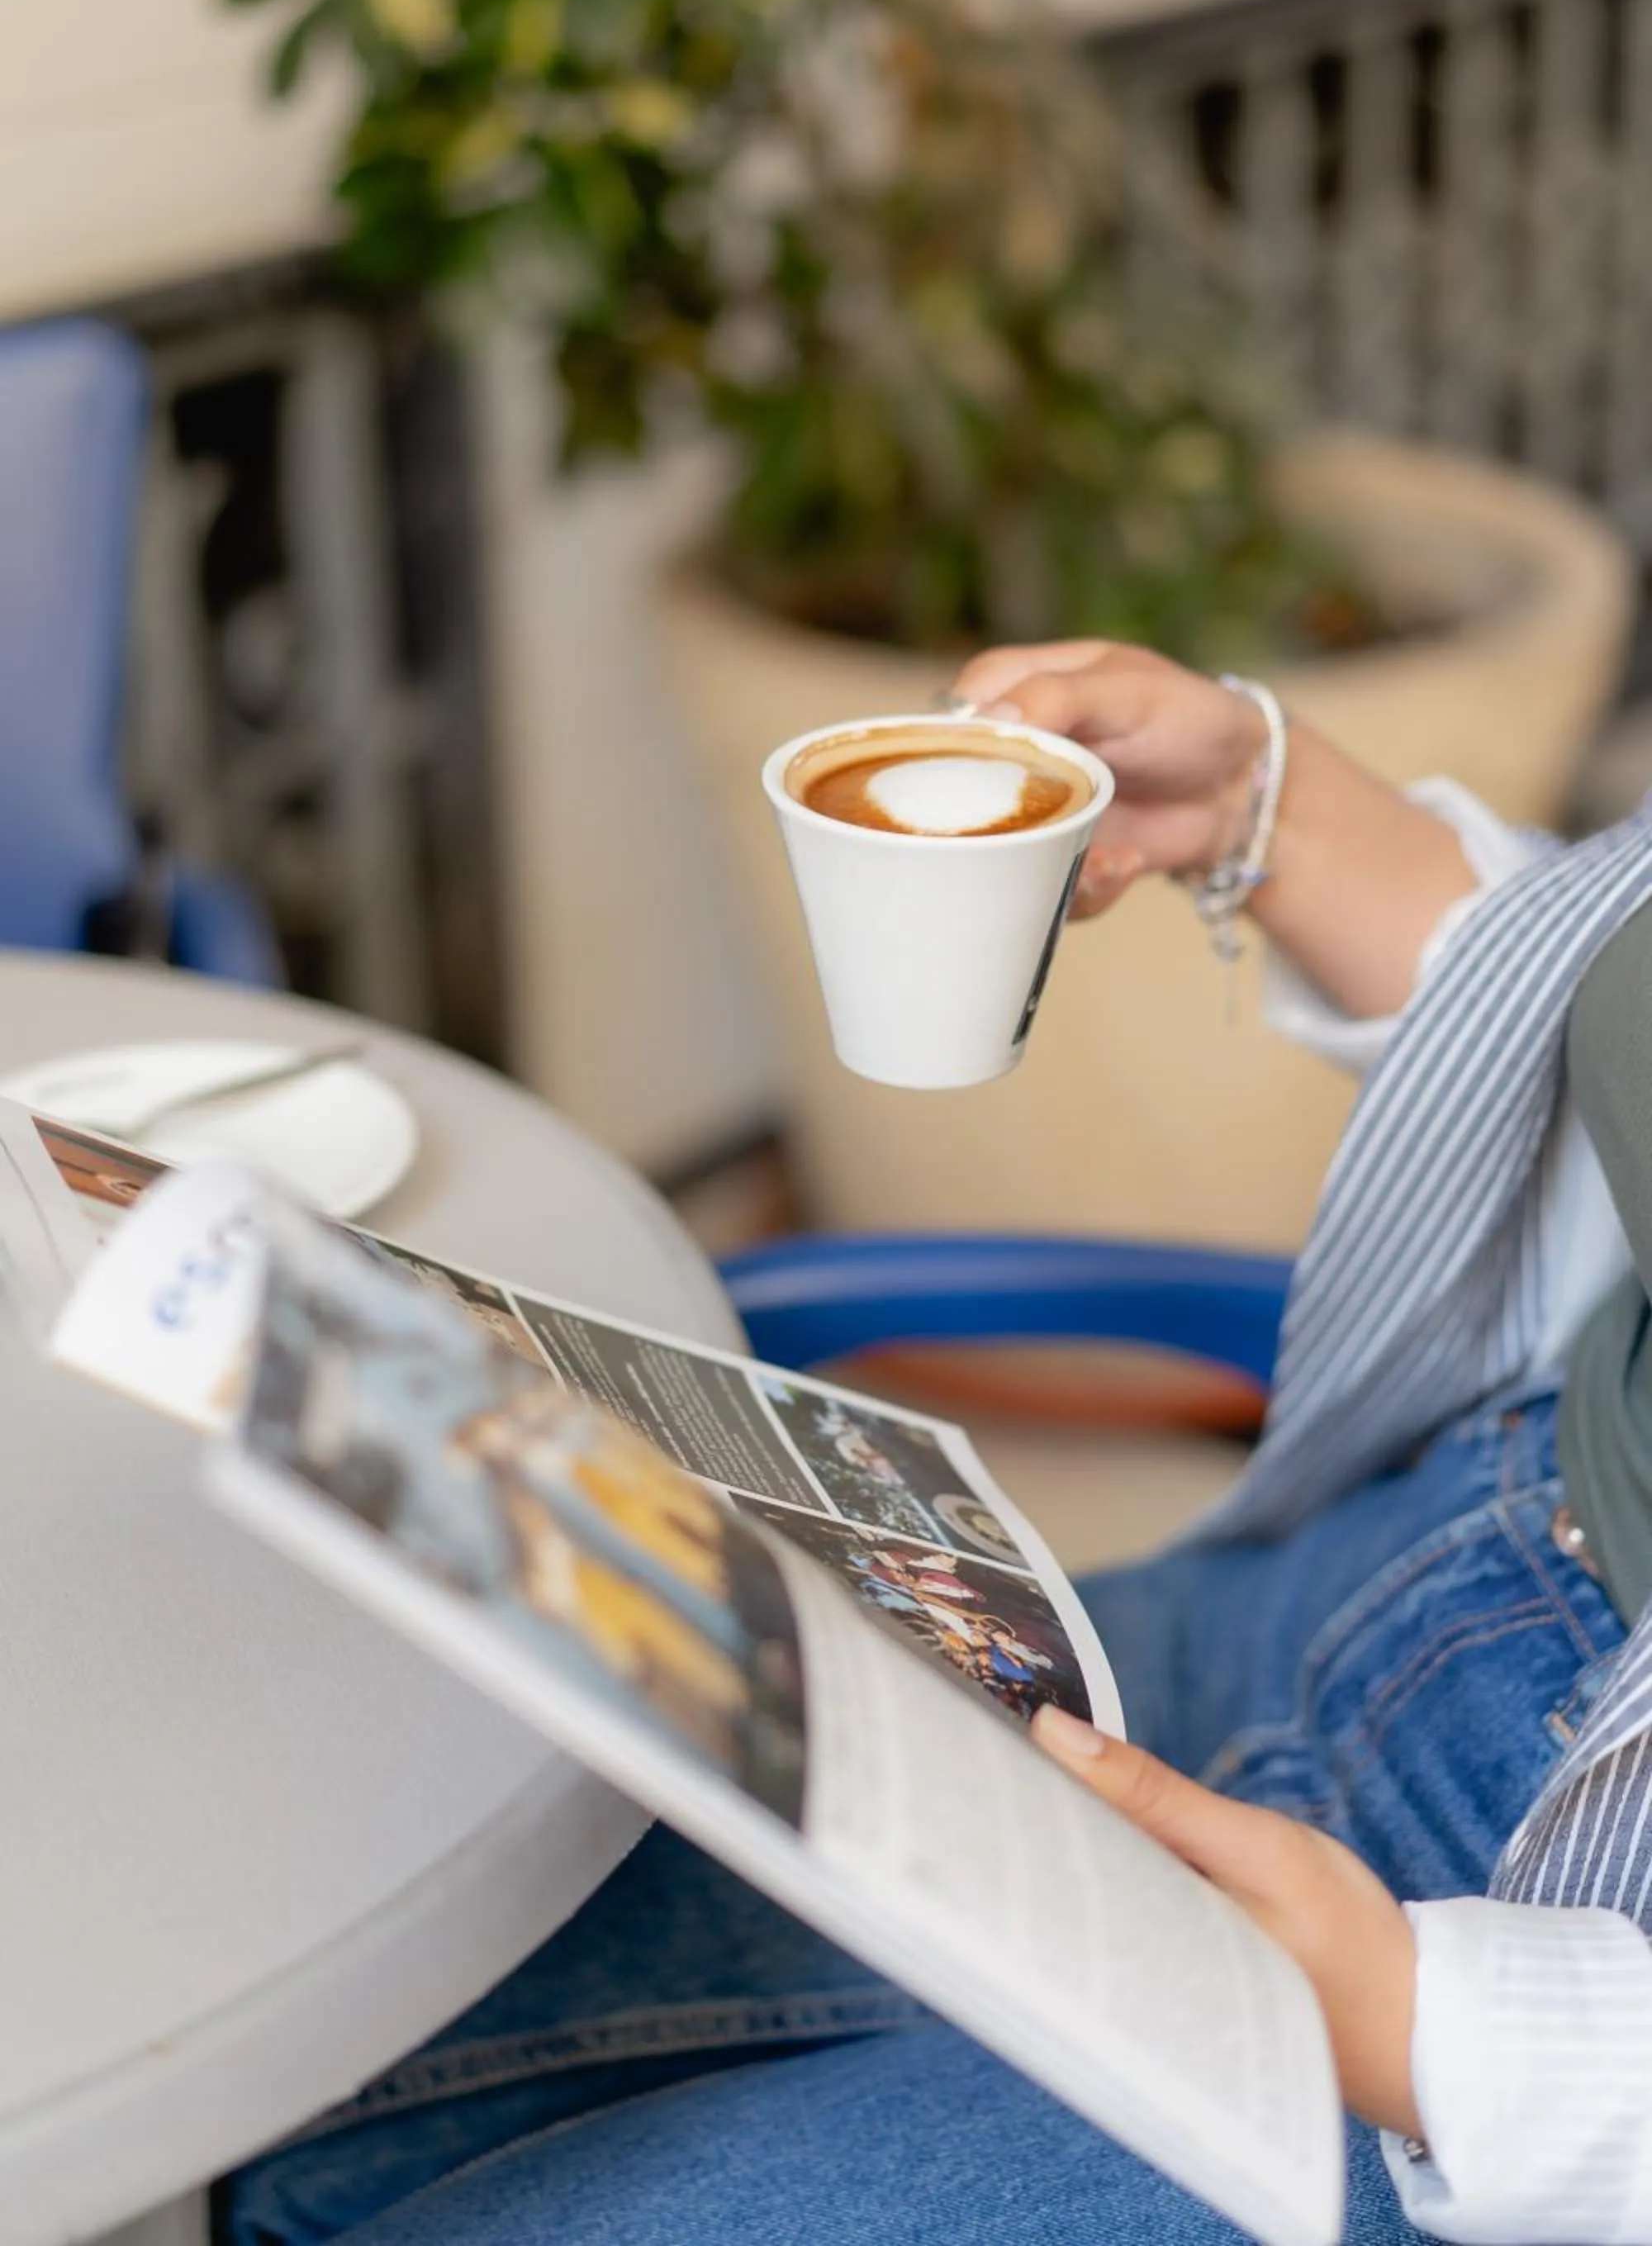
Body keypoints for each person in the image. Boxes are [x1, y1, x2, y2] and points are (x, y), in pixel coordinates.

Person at [225, 641, 1652, 2246]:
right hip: (1413, 1573)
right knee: (304, 2087)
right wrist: (1276, 812)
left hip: (1536, 2030)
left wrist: (1462, 2048)